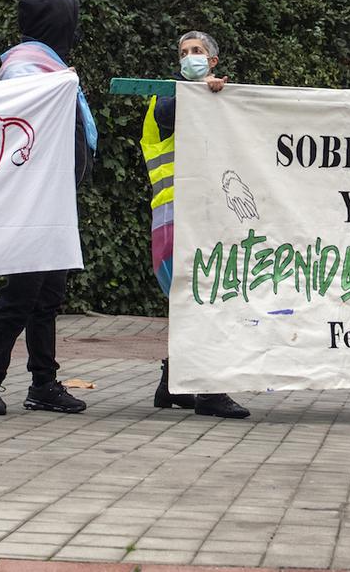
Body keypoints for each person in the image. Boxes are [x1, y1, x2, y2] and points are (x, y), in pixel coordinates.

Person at [0, 0, 96, 416]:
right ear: (57, 23)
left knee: (47, 296)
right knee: (21, 296)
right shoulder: (26, 66)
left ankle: (43, 383)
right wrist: (61, 84)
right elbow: (22, 113)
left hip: (55, 200)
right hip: (32, 201)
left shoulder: (50, 65)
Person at [140, 31, 248, 419]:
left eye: (198, 52)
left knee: (192, 301)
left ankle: (172, 385)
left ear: (214, 61)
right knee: (207, 298)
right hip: (175, 222)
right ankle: (210, 390)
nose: (190, 57)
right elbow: (171, 112)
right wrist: (201, 90)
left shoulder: (215, 101)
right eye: (184, 53)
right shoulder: (169, 97)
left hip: (191, 221)